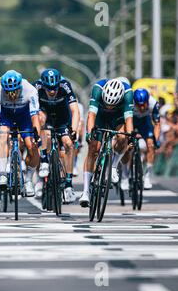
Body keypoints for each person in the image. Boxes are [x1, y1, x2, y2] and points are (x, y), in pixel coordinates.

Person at [79, 78, 134, 207]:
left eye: (112, 104)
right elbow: (91, 115)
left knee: (122, 137)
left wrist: (130, 138)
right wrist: (89, 134)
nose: (110, 107)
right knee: (93, 149)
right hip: (100, 116)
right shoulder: (97, 89)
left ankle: (114, 166)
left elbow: (129, 120)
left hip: (118, 116)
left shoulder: (128, 93)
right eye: (107, 103)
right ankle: (85, 191)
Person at [0, 70, 41, 196]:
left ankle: (28, 179)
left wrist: (37, 135)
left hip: (25, 117)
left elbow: (35, 117)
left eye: (15, 92)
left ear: (20, 87)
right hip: (6, 116)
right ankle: (2, 174)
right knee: (2, 135)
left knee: (31, 146)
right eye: (8, 92)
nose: (12, 95)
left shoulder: (30, 89)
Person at [34, 68, 80, 203]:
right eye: (49, 89)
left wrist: (74, 130)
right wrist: (35, 131)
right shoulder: (36, 87)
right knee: (44, 130)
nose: (52, 91)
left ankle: (68, 183)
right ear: (43, 85)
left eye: (54, 88)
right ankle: (44, 161)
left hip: (62, 118)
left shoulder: (65, 86)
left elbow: (75, 110)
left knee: (68, 144)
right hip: (45, 117)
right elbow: (31, 112)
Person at [120, 88, 160, 190]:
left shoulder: (153, 103)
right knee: (126, 146)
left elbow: (157, 124)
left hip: (144, 123)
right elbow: (124, 121)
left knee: (151, 145)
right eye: (139, 105)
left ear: (148, 101)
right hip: (131, 121)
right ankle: (125, 177)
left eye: (144, 105)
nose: (142, 107)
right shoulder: (129, 102)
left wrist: (157, 140)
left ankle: (147, 177)